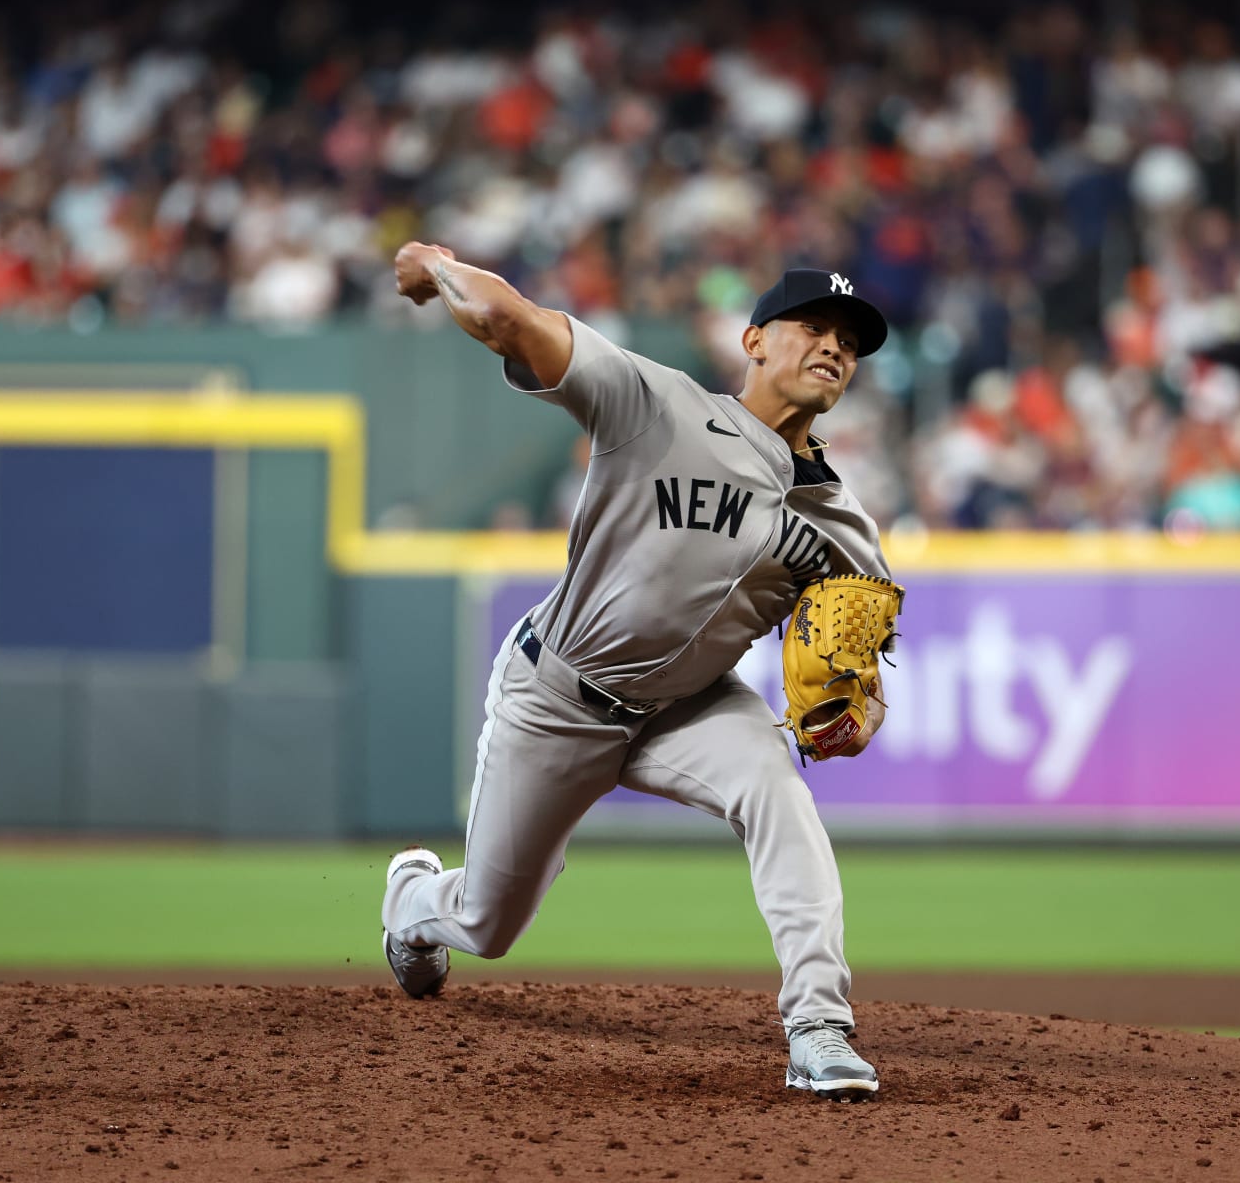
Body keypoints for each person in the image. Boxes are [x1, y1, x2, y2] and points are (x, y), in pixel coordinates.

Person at [383, 241, 896, 1101]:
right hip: (558, 697)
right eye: (814, 326)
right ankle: (412, 900)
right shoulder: (654, 403)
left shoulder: (846, 529)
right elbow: (512, 322)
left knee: (776, 787)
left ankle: (818, 1026)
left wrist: (854, 719)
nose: (835, 347)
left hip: (689, 709)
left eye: (851, 340)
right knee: (488, 923)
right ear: (755, 339)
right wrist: (435, 263)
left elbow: (860, 682)